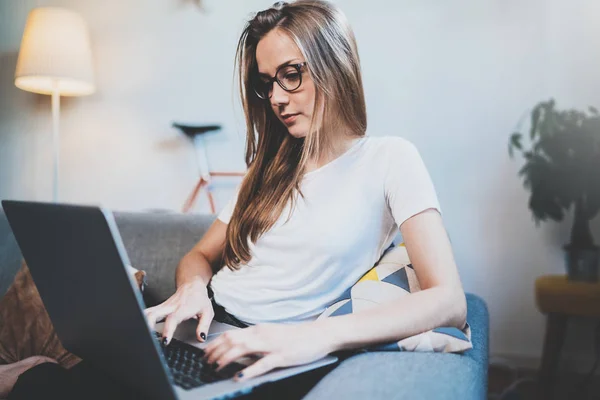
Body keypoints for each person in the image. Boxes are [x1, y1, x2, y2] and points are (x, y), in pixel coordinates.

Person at [9, 1, 466, 399]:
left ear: (335, 62)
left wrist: (313, 338)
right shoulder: (266, 172)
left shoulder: (390, 159)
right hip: (204, 329)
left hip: (267, 347)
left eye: (291, 75)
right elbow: (199, 256)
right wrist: (191, 290)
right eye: (267, 83)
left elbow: (448, 299)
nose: (277, 99)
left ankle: (30, 376)